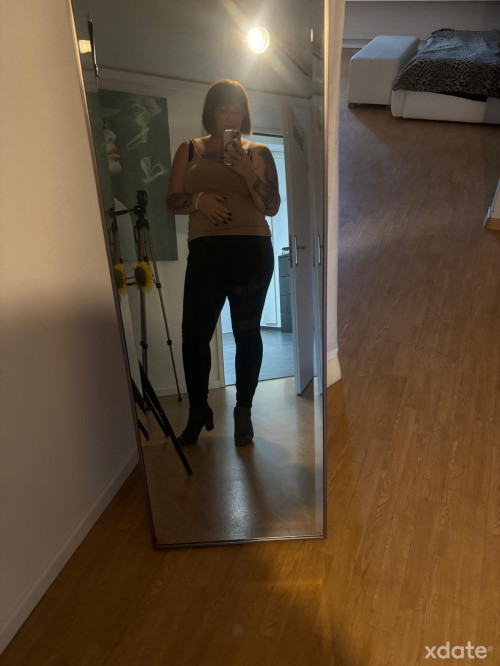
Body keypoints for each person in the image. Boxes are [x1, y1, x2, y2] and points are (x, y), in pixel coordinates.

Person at [166, 79, 281, 446]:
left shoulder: (258, 152)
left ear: (244, 114)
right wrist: (199, 200)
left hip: (251, 250)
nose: (231, 117)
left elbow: (272, 206)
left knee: (246, 333)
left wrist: (247, 171)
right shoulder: (189, 149)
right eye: (223, 110)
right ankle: (199, 409)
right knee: (193, 335)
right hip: (206, 252)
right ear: (210, 113)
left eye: (237, 110)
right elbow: (172, 200)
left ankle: (243, 410)